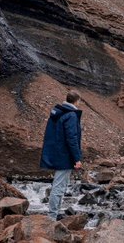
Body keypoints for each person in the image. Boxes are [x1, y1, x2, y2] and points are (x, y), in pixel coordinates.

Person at [40, 90, 82, 220]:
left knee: (60, 185)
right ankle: (52, 216)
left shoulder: (58, 113)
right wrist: (77, 158)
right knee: (59, 186)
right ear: (76, 101)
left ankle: (55, 213)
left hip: (57, 153)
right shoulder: (71, 115)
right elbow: (72, 138)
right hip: (65, 155)